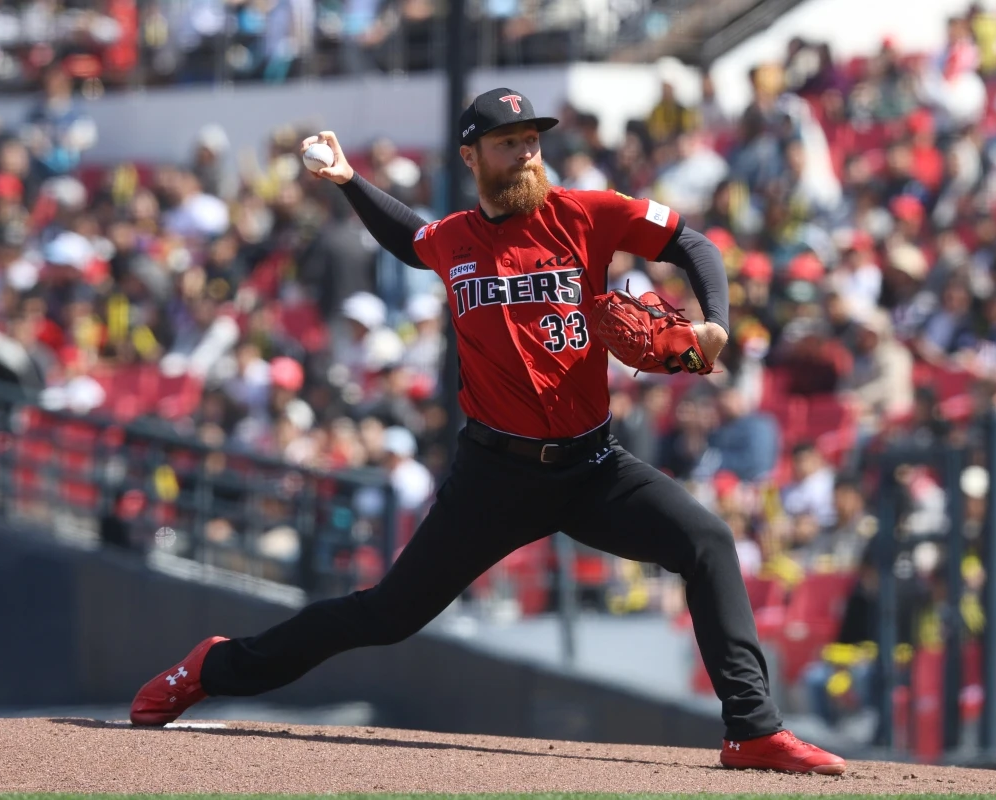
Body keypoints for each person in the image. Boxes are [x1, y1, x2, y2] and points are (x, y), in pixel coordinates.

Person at [128, 87, 846, 775]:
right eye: (509, 144)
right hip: (494, 479)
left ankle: (752, 731)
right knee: (386, 615)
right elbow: (411, 239)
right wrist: (348, 180)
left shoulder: (587, 214)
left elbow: (692, 242)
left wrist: (713, 320)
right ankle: (213, 666)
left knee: (707, 541)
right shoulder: (456, 239)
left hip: (593, 466)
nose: (527, 155)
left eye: (532, 142)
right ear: (472, 157)